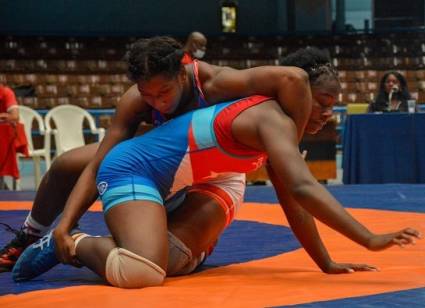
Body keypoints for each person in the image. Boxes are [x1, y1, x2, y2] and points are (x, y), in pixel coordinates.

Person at [13, 48, 420, 288]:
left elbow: (291, 195)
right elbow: (302, 186)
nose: (329, 115)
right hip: (145, 164)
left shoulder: (269, 118)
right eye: (324, 103)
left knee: (172, 261)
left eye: (335, 105)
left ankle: (137, 237)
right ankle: (52, 238)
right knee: (73, 168)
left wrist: (325, 261)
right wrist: (368, 238)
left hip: (207, 171)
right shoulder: (247, 101)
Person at [0, 36, 312, 272]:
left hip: (215, 175)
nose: (158, 103)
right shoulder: (137, 99)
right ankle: (31, 234)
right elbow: (100, 163)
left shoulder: (215, 82)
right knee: (67, 164)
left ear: (182, 74)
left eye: (163, 94)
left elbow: (293, 78)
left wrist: (291, 145)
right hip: (162, 161)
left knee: (165, 264)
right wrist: (66, 223)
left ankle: (187, 241)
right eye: (148, 96)